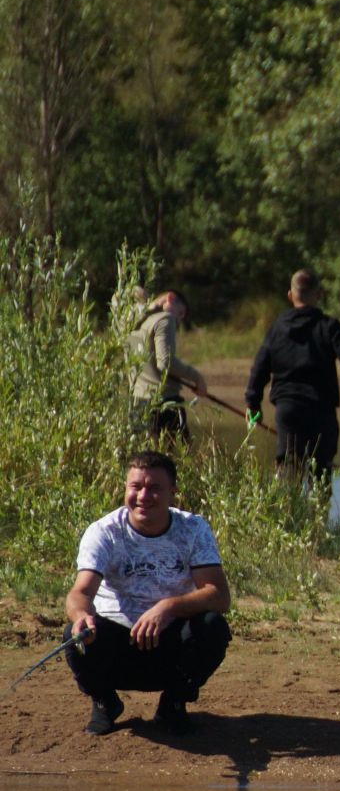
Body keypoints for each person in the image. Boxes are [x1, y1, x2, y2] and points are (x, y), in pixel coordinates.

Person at [64, 451, 231, 737]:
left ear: (172, 493)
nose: (143, 496)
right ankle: (105, 702)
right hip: (116, 642)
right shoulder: (104, 532)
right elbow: (80, 592)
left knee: (212, 628)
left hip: (170, 643)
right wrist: (81, 616)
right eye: (136, 487)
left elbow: (218, 595)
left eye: (154, 488)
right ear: (126, 489)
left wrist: (167, 607)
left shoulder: (193, 528)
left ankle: (173, 704)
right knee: (74, 636)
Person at [243, 268, 340, 482]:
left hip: (287, 410)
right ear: (318, 295)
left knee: (288, 471)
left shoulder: (277, 328)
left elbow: (259, 368)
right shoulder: (328, 326)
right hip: (320, 412)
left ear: (290, 295)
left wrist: (252, 404)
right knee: (320, 473)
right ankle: (317, 515)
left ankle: (286, 513)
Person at [128, 290, 207, 441]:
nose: (179, 320)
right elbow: (166, 363)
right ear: (170, 298)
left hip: (137, 405)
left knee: (141, 461)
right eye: (181, 313)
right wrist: (197, 378)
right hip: (164, 404)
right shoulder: (165, 318)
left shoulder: (132, 321)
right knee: (176, 460)